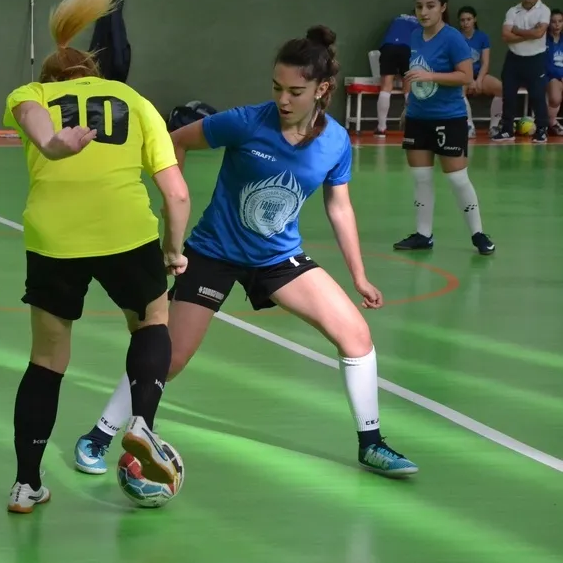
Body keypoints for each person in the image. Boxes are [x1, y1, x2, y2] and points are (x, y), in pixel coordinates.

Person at [74, 25, 420, 481]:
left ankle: (371, 444)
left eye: (295, 91)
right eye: (277, 88)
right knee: (169, 357)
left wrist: (359, 275)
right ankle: (98, 435)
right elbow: (177, 140)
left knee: (356, 335)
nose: (283, 100)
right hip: (213, 253)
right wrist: (174, 205)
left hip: (278, 258)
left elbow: (339, 206)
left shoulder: (336, 141)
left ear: (322, 89)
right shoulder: (245, 122)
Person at [2, 0, 191, 513]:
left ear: (50, 80)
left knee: (46, 359)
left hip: (54, 239)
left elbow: (32, 117)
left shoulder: (30, 93)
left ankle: (26, 484)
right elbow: (176, 194)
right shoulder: (135, 101)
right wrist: (173, 250)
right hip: (125, 232)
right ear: (94, 74)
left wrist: (52, 144)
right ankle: (142, 423)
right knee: (152, 321)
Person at [394, 0, 494, 255]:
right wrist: (408, 106)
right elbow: (415, 74)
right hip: (418, 117)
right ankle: (423, 234)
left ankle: (478, 234)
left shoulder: (453, 38)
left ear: (443, 7)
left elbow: (466, 76)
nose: (424, 12)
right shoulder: (415, 36)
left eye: (430, 6)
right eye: (419, 7)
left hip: (449, 118)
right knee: (421, 178)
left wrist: (431, 76)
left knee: (457, 178)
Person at [492, 0, 551, 143]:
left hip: (535, 59)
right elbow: (506, 36)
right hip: (514, 59)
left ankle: (541, 130)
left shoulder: (544, 10)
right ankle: (507, 130)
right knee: (508, 96)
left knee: (537, 96)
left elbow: (539, 33)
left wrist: (517, 30)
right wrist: (530, 34)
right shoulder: (512, 11)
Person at [457, 6, 503, 137]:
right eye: (462, 20)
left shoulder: (482, 37)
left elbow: (485, 63)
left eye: (468, 19)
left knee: (500, 88)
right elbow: (456, 63)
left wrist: (478, 81)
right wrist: (469, 80)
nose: (465, 23)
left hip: (480, 75)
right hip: (463, 75)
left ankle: (494, 126)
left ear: (474, 20)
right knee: (458, 91)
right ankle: (469, 126)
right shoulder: (455, 37)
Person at [375, 11, 420, 137]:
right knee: (408, 86)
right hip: (407, 49)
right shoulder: (420, 24)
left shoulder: (398, 18)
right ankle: (413, 127)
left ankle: (381, 128)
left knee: (386, 87)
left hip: (388, 47)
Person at [545, 9, 563, 136]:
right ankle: (551, 122)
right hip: (550, 76)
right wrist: (560, 76)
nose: (557, 25)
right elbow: (546, 65)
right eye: (553, 22)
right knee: (555, 97)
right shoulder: (543, 40)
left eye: (560, 21)